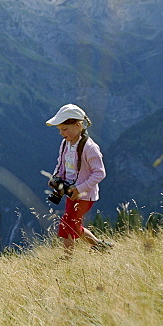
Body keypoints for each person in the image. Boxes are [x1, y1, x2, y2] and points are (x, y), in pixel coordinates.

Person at [45, 103, 112, 255]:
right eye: (60, 129)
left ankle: (67, 259)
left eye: (64, 129)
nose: (61, 133)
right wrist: (56, 178)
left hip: (84, 195)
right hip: (71, 192)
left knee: (67, 224)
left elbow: (100, 173)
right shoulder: (65, 144)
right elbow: (61, 164)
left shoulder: (89, 147)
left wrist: (80, 188)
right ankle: (100, 246)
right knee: (74, 225)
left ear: (78, 125)